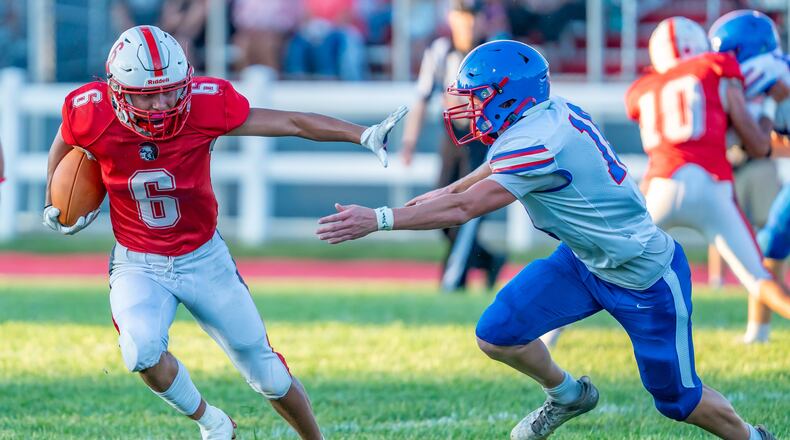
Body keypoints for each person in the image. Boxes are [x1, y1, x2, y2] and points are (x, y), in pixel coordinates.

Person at [316, 40, 776, 440]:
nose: (464, 106)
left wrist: (380, 219)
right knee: (497, 334)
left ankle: (752, 436)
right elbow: (463, 187)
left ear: (508, 95)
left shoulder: (537, 140)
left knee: (678, 400)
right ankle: (568, 395)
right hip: (583, 262)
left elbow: (466, 207)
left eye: (475, 96)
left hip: (642, 275)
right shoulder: (538, 120)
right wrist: (409, 207)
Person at [42, 25, 406, 440]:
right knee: (138, 350)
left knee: (268, 374)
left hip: (203, 258)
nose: (163, 104)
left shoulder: (204, 105)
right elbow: (64, 141)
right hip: (138, 261)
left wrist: (360, 134)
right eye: (148, 95)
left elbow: (291, 121)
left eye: (171, 90)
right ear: (119, 91)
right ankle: (211, 422)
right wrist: (53, 195)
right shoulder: (90, 111)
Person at [625, 16, 790, 345]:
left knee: (600, 265)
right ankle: (758, 332)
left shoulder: (646, 87)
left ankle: (549, 336)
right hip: (711, 183)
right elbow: (756, 143)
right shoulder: (718, 71)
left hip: (661, 183)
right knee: (762, 266)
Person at [400, 0, 505, 291]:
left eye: (473, 17)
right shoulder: (440, 51)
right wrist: (409, 141)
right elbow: (421, 98)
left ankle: (453, 280)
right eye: (462, 16)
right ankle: (489, 260)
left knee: (470, 210)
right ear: (451, 18)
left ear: (483, 20)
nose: (468, 23)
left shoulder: (494, 51)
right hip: (452, 138)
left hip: (484, 141)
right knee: (440, 209)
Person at [709, 9, 790, 342]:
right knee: (770, 244)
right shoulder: (770, 86)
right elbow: (769, 142)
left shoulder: (774, 75)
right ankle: (758, 332)